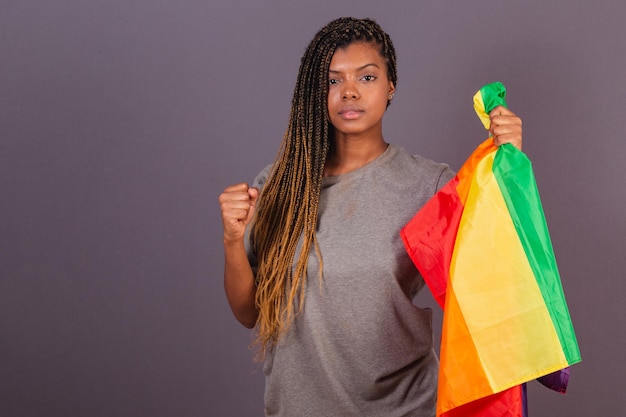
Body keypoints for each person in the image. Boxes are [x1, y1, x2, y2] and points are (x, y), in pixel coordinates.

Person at [219, 17, 522, 417]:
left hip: (404, 408)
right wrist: (231, 241)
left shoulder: (429, 185)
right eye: (333, 80)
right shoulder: (281, 185)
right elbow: (249, 313)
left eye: (366, 77)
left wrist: (508, 167)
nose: (348, 92)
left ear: (390, 86)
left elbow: (494, 282)